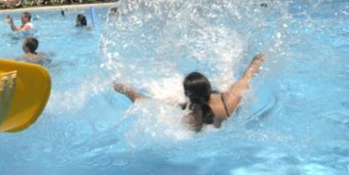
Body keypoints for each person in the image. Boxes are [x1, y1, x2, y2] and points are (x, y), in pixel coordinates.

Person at [113, 54, 266, 132]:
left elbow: (146, 104)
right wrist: (259, 59)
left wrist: (126, 90)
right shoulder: (229, 103)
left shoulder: (190, 116)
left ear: (187, 94)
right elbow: (247, 75)